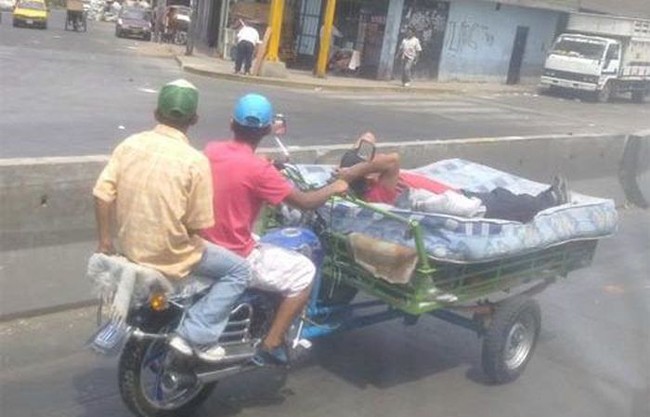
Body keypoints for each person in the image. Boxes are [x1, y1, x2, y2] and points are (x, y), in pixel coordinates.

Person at [92, 79, 251, 363]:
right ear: (195, 119)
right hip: (172, 256)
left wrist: (105, 241)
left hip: (128, 248)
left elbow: (102, 194)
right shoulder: (194, 161)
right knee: (238, 271)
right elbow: (198, 224)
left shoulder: (129, 144)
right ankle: (197, 333)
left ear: (156, 113)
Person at [201, 94, 349, 365]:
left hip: (203, 244)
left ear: (231, 124)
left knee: (262, 240)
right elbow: (305, 203)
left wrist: (263, 165)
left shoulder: (211, 150)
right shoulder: (260, 171)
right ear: (269, 130)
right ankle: (272, 342)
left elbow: (236, 170)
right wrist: (333, 188)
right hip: (234, 254)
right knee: (304, 272)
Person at [338, 132, 569, 223]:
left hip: (456, 193)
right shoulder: (379, 192)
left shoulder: (369, 185)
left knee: (502, 195)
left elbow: (367, 137)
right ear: (366, 177)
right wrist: (353, 171)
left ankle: (542, 198)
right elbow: (393, 159)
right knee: (510, 203)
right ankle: (551, 200)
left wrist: (350, 170)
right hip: (456, 199)